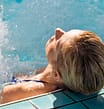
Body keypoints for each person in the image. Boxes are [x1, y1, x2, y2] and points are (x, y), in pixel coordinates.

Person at [1, 28, 104, 104]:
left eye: (58, 42)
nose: (58, 31)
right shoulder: (58, 73)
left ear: (56, 75)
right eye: (66, 32)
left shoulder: (32, 89)